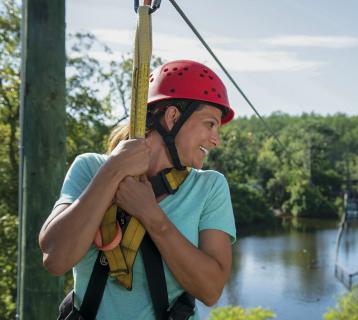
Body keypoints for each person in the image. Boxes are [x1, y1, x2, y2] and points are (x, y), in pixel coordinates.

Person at [39, 60, 236, 320]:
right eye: (210, 124)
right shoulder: (91, 168)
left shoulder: (209, 187)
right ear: (173, 117)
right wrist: (113, 171)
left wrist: (152, 216)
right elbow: (55, 258)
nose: (216, 140)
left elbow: (210, 290)